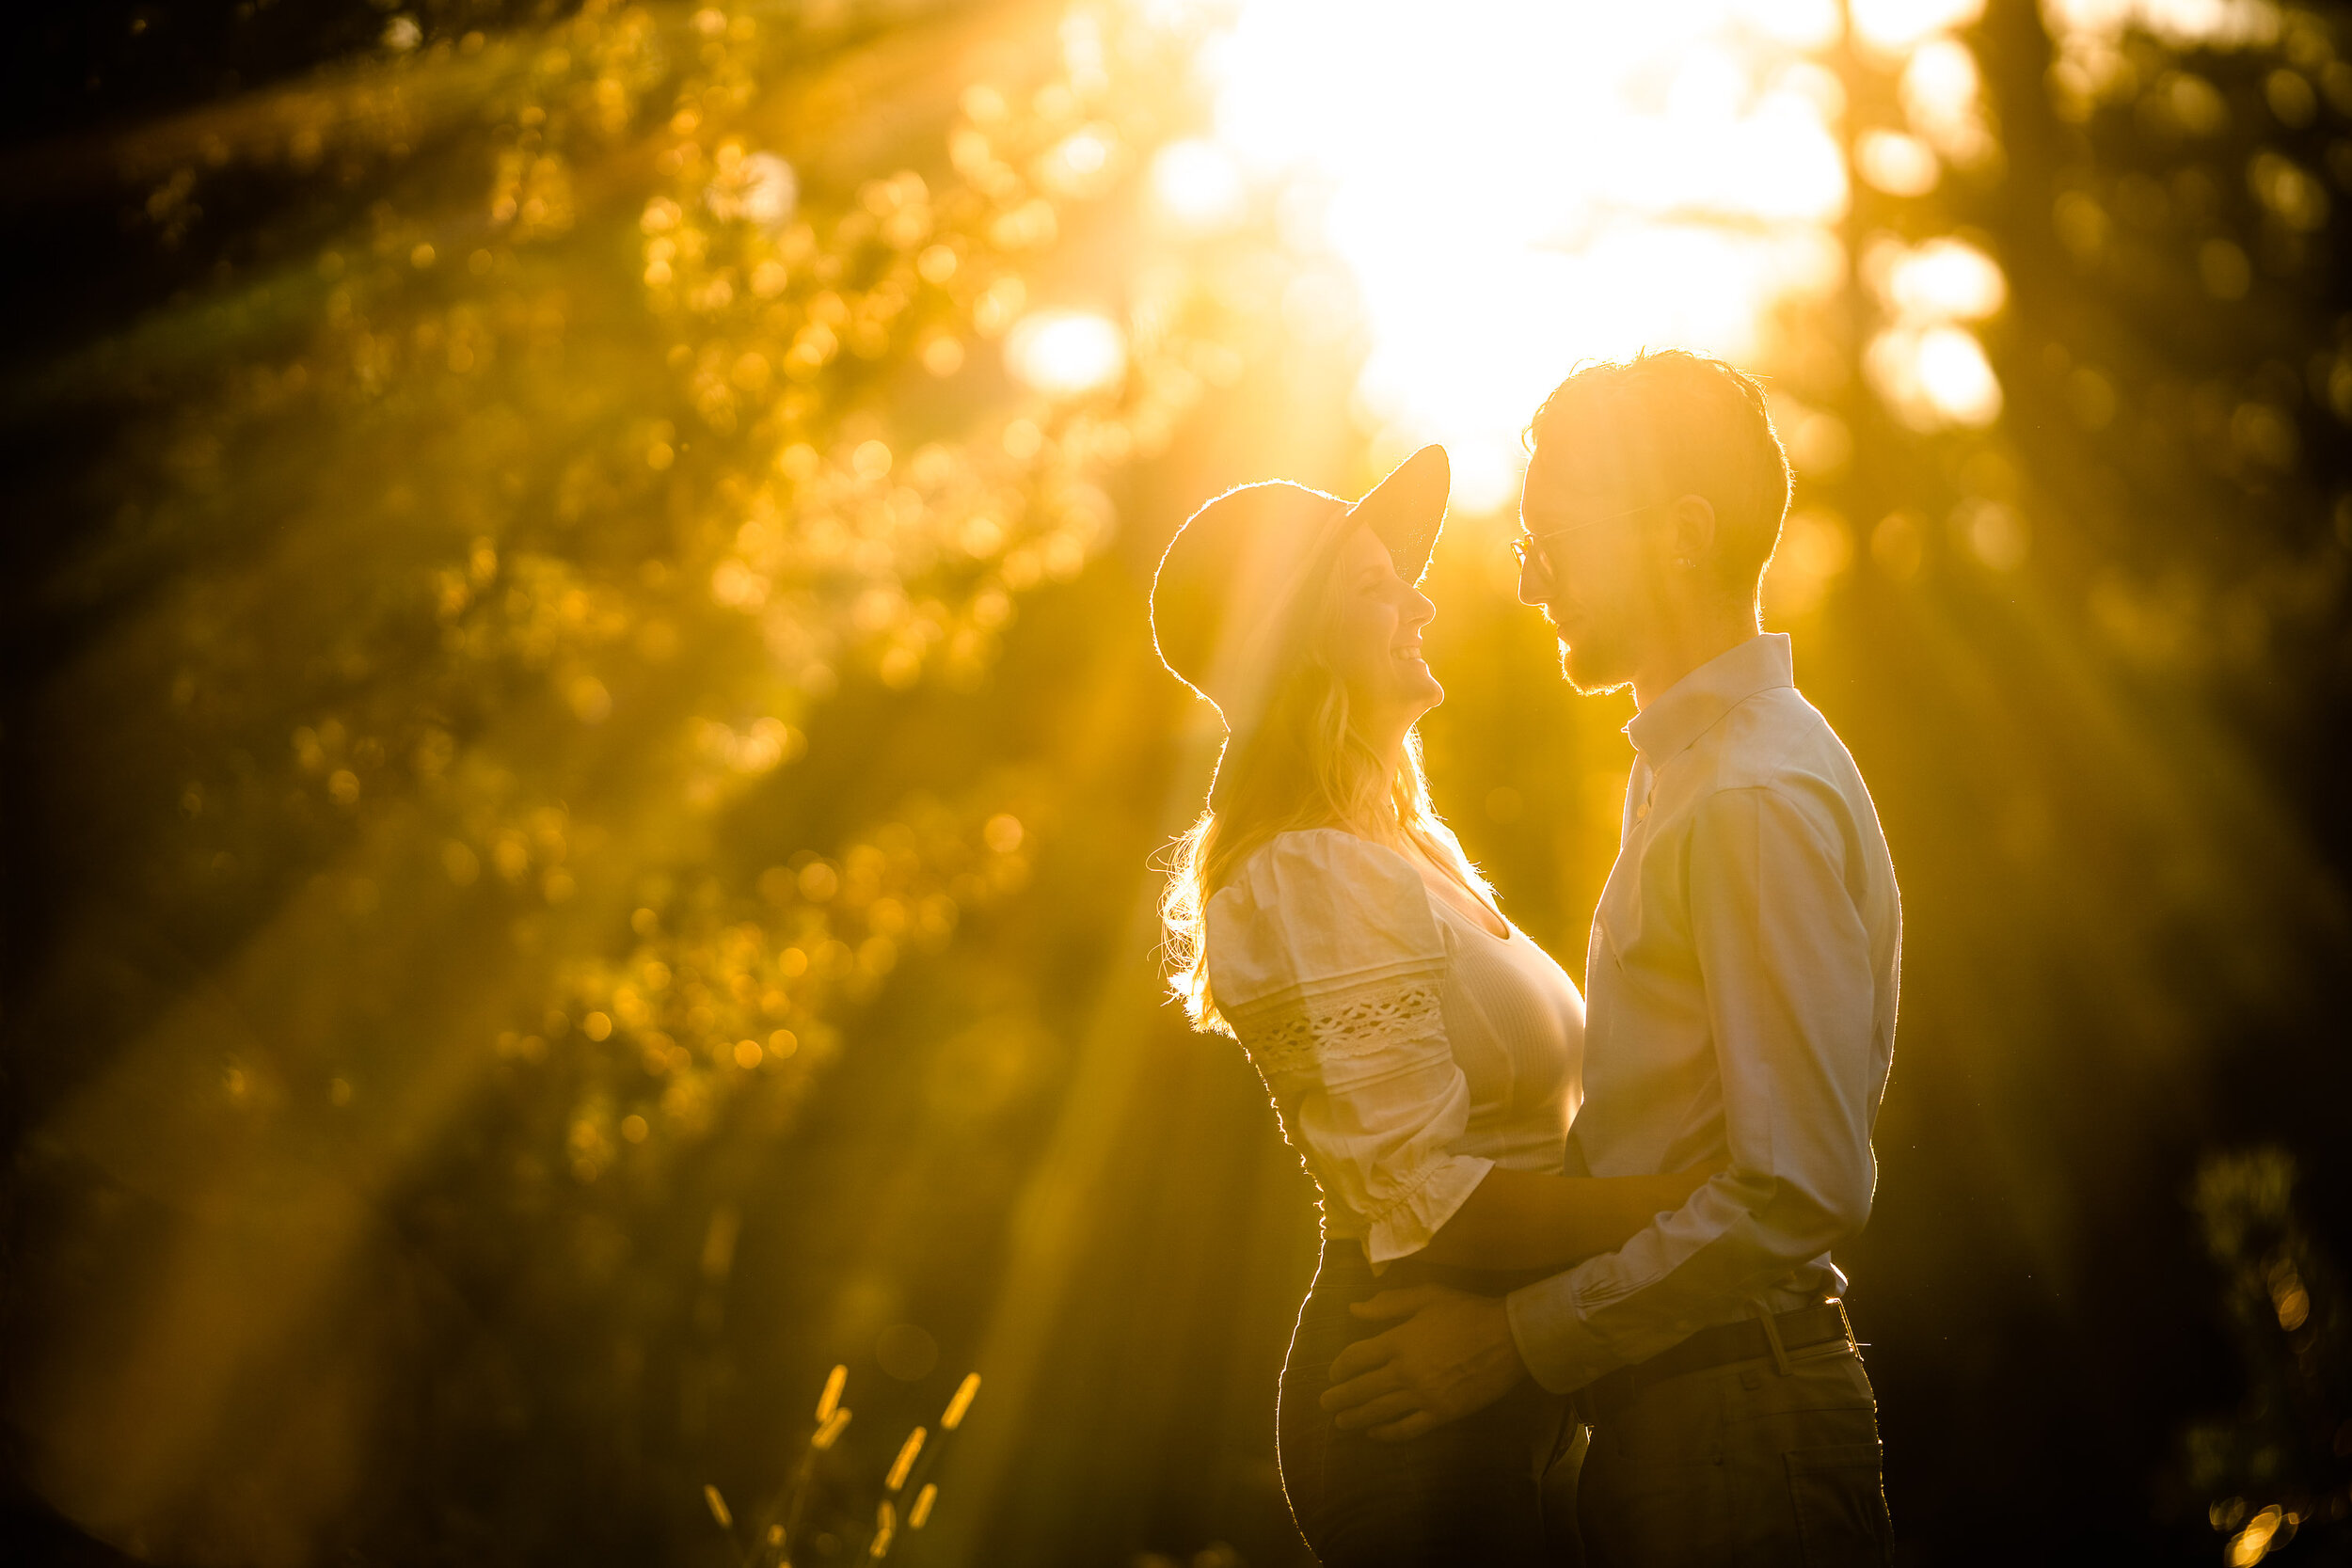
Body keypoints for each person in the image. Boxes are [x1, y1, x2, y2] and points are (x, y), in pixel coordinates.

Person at [1318, 350, 1902, 1566]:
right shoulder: (1689, 767)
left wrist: (1512, 1338)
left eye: (1556, 538)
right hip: (1691, 1422)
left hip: (1739, 1433)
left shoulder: (1749, 797)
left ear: (1680, 535)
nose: (1528, 581)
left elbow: (1798, 1186)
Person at [1152, 446, 1717, 1567]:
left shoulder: (1404, 849)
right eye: (1373, 585)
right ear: (1301, 640)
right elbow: (1433, 1203)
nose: (1420, 599)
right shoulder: (1307, 869)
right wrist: (1703, 1199)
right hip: (1403, 1392)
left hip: (1505, 1374)